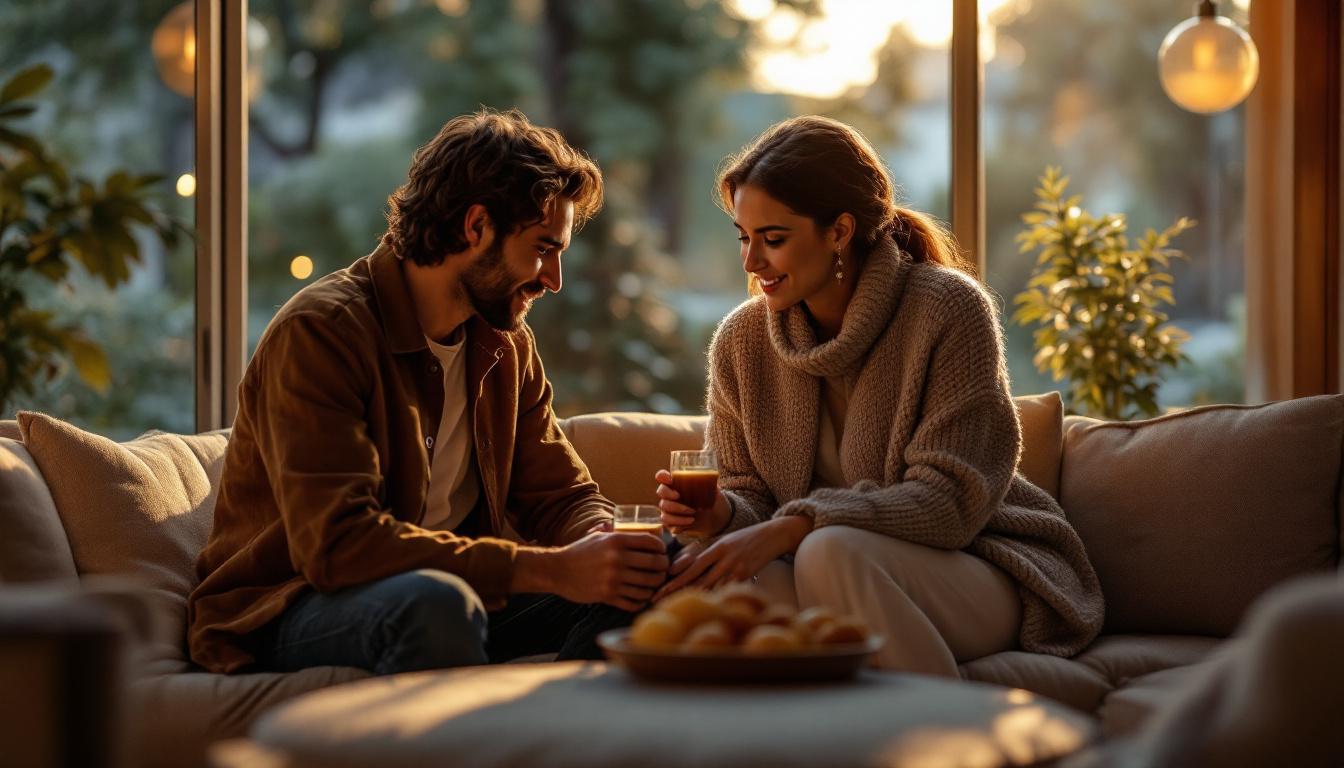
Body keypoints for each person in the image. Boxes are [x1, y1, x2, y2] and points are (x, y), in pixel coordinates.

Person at [187, 109, 668, 676]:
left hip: (453, 595)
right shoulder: (323, 331)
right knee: (436, 605)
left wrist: (606, 544)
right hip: (294, 605)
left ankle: (554, 722)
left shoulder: (504, 345)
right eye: (543, 248)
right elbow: (339, 547)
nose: (553, 279)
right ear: (476, 226)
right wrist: (550, 570)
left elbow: (560, 495)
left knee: (654, 573)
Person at [653, 115, 1104, 675]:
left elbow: (949, 503)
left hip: (976, 563)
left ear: (839, 232)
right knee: (716, 580)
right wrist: (720, 512)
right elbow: (751, 499)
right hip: (826, 567)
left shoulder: (947, 309)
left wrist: (799, 525)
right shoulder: (741, 342)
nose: (751, 262)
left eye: (774, 239)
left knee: (829, 549)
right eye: (744, 238)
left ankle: (938, 728)